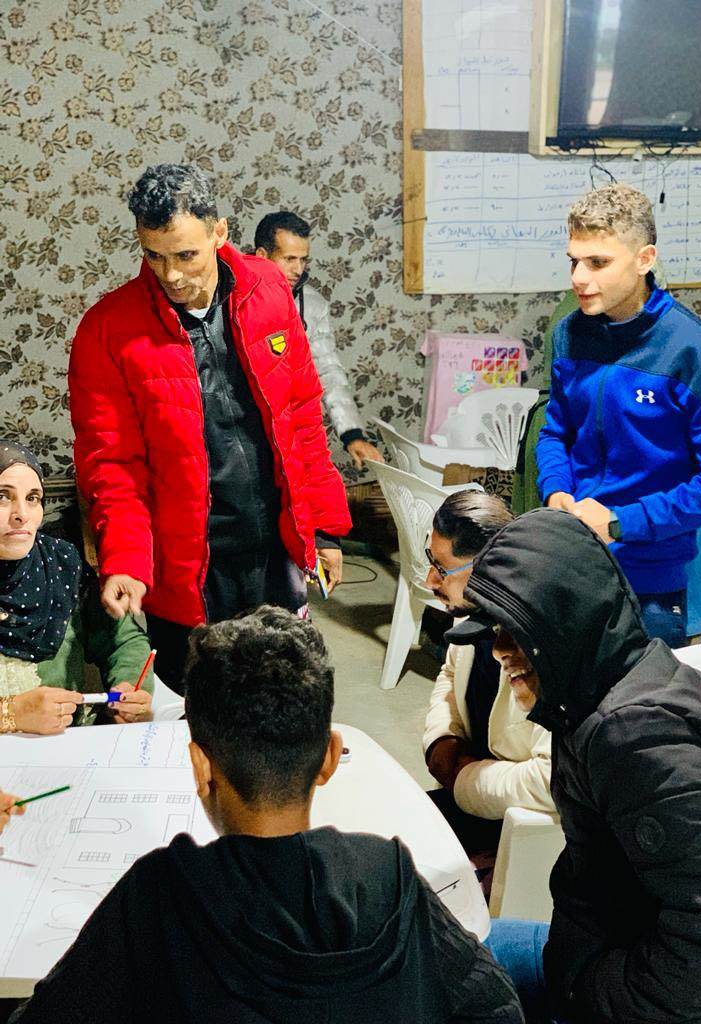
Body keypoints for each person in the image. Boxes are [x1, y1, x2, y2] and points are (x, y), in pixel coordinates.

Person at [9, 606, 524, 1024]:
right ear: (329, 758)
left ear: (199, 767)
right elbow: (496, 1006)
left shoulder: (158, 894)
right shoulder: (386, 874)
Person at [447, 507, 701, 1024]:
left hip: (665, 1000)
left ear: (564, 622)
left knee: (439, 972)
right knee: (445, 946)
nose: (499, 651)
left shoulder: (635, 737)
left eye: (513, 631)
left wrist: (593, 998)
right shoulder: (611, 685)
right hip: (602, 951)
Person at [69, 165, 351, 693]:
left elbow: (302, 417)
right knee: (200, 705)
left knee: (283, 693)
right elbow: (112, 465)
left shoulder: (269, 289)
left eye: (185, 255)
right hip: (188, 564)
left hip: (275, 546)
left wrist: (325, 529)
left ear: (219, 232)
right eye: (154, 256)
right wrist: (126, 560)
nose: (171, 275)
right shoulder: (107, 329)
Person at [536, 183, 701, 646]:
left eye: (598, 262)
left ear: (644, 259)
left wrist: (619, 523)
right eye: (574, 261)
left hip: (650, 585)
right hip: (570, 560)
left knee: (640, 696)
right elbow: (556, 432)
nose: (579, 278)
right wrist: (556, 490)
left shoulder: (699, 354)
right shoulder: (570, 334)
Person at [423, 491, 553, 855]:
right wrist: (442, 740)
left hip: (528, 836)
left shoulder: (544, 648)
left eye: (442, 569)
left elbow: (551, 779)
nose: (429, 580)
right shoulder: (470, 613)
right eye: (430, 560)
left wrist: (463, 779)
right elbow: (450, 675)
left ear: (487, 568)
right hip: (476, 800)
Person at [0, 441, 152, 734]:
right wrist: (11, 714)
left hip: (67, 746)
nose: (21, 514)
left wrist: (131, 687)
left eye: (33, 498)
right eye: (3, 497)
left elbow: (122, 640)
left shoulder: (61, 566)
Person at [253, 211, 382, 469]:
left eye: (303, 259)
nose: (298, 269)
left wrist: (352, 434)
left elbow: (328, 369)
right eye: (289, 259)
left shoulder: (313, 305)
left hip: (289, 430)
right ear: (262, 256)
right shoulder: (230, 297)